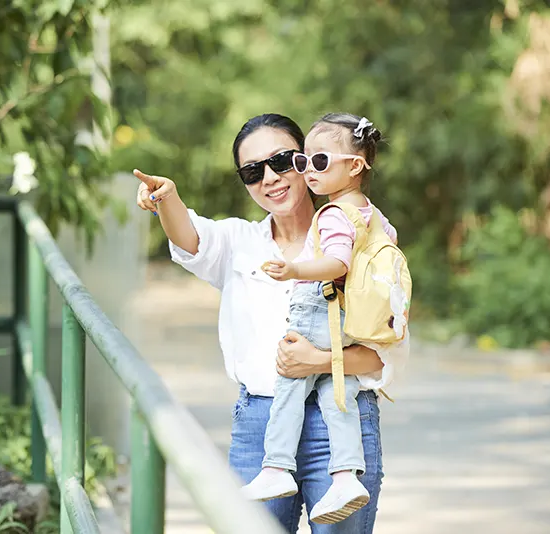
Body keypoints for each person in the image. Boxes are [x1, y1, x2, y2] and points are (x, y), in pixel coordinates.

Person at [133, 113, 409, 534]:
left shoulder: (362, 240)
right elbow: (190, 238)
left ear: (306, 160)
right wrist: (166, 198)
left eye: (282, 161)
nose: (270, 178)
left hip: (339, 424)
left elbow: (383, 354)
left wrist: (318, 361)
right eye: (252, 171)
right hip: (259, 429)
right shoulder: (239, 242)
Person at [239, 113, 400, 526]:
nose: (308, 170)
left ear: (356, 165)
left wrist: (295, 269)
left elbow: (337, 263)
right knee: (337, 393)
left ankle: (276, 466)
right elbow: (385, 247)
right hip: (348, 318)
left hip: (317, 308)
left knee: (291, 385)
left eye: (320, 161)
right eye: (303, 161)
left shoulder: (331, 214)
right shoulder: (373, 214)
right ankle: (345, 475)